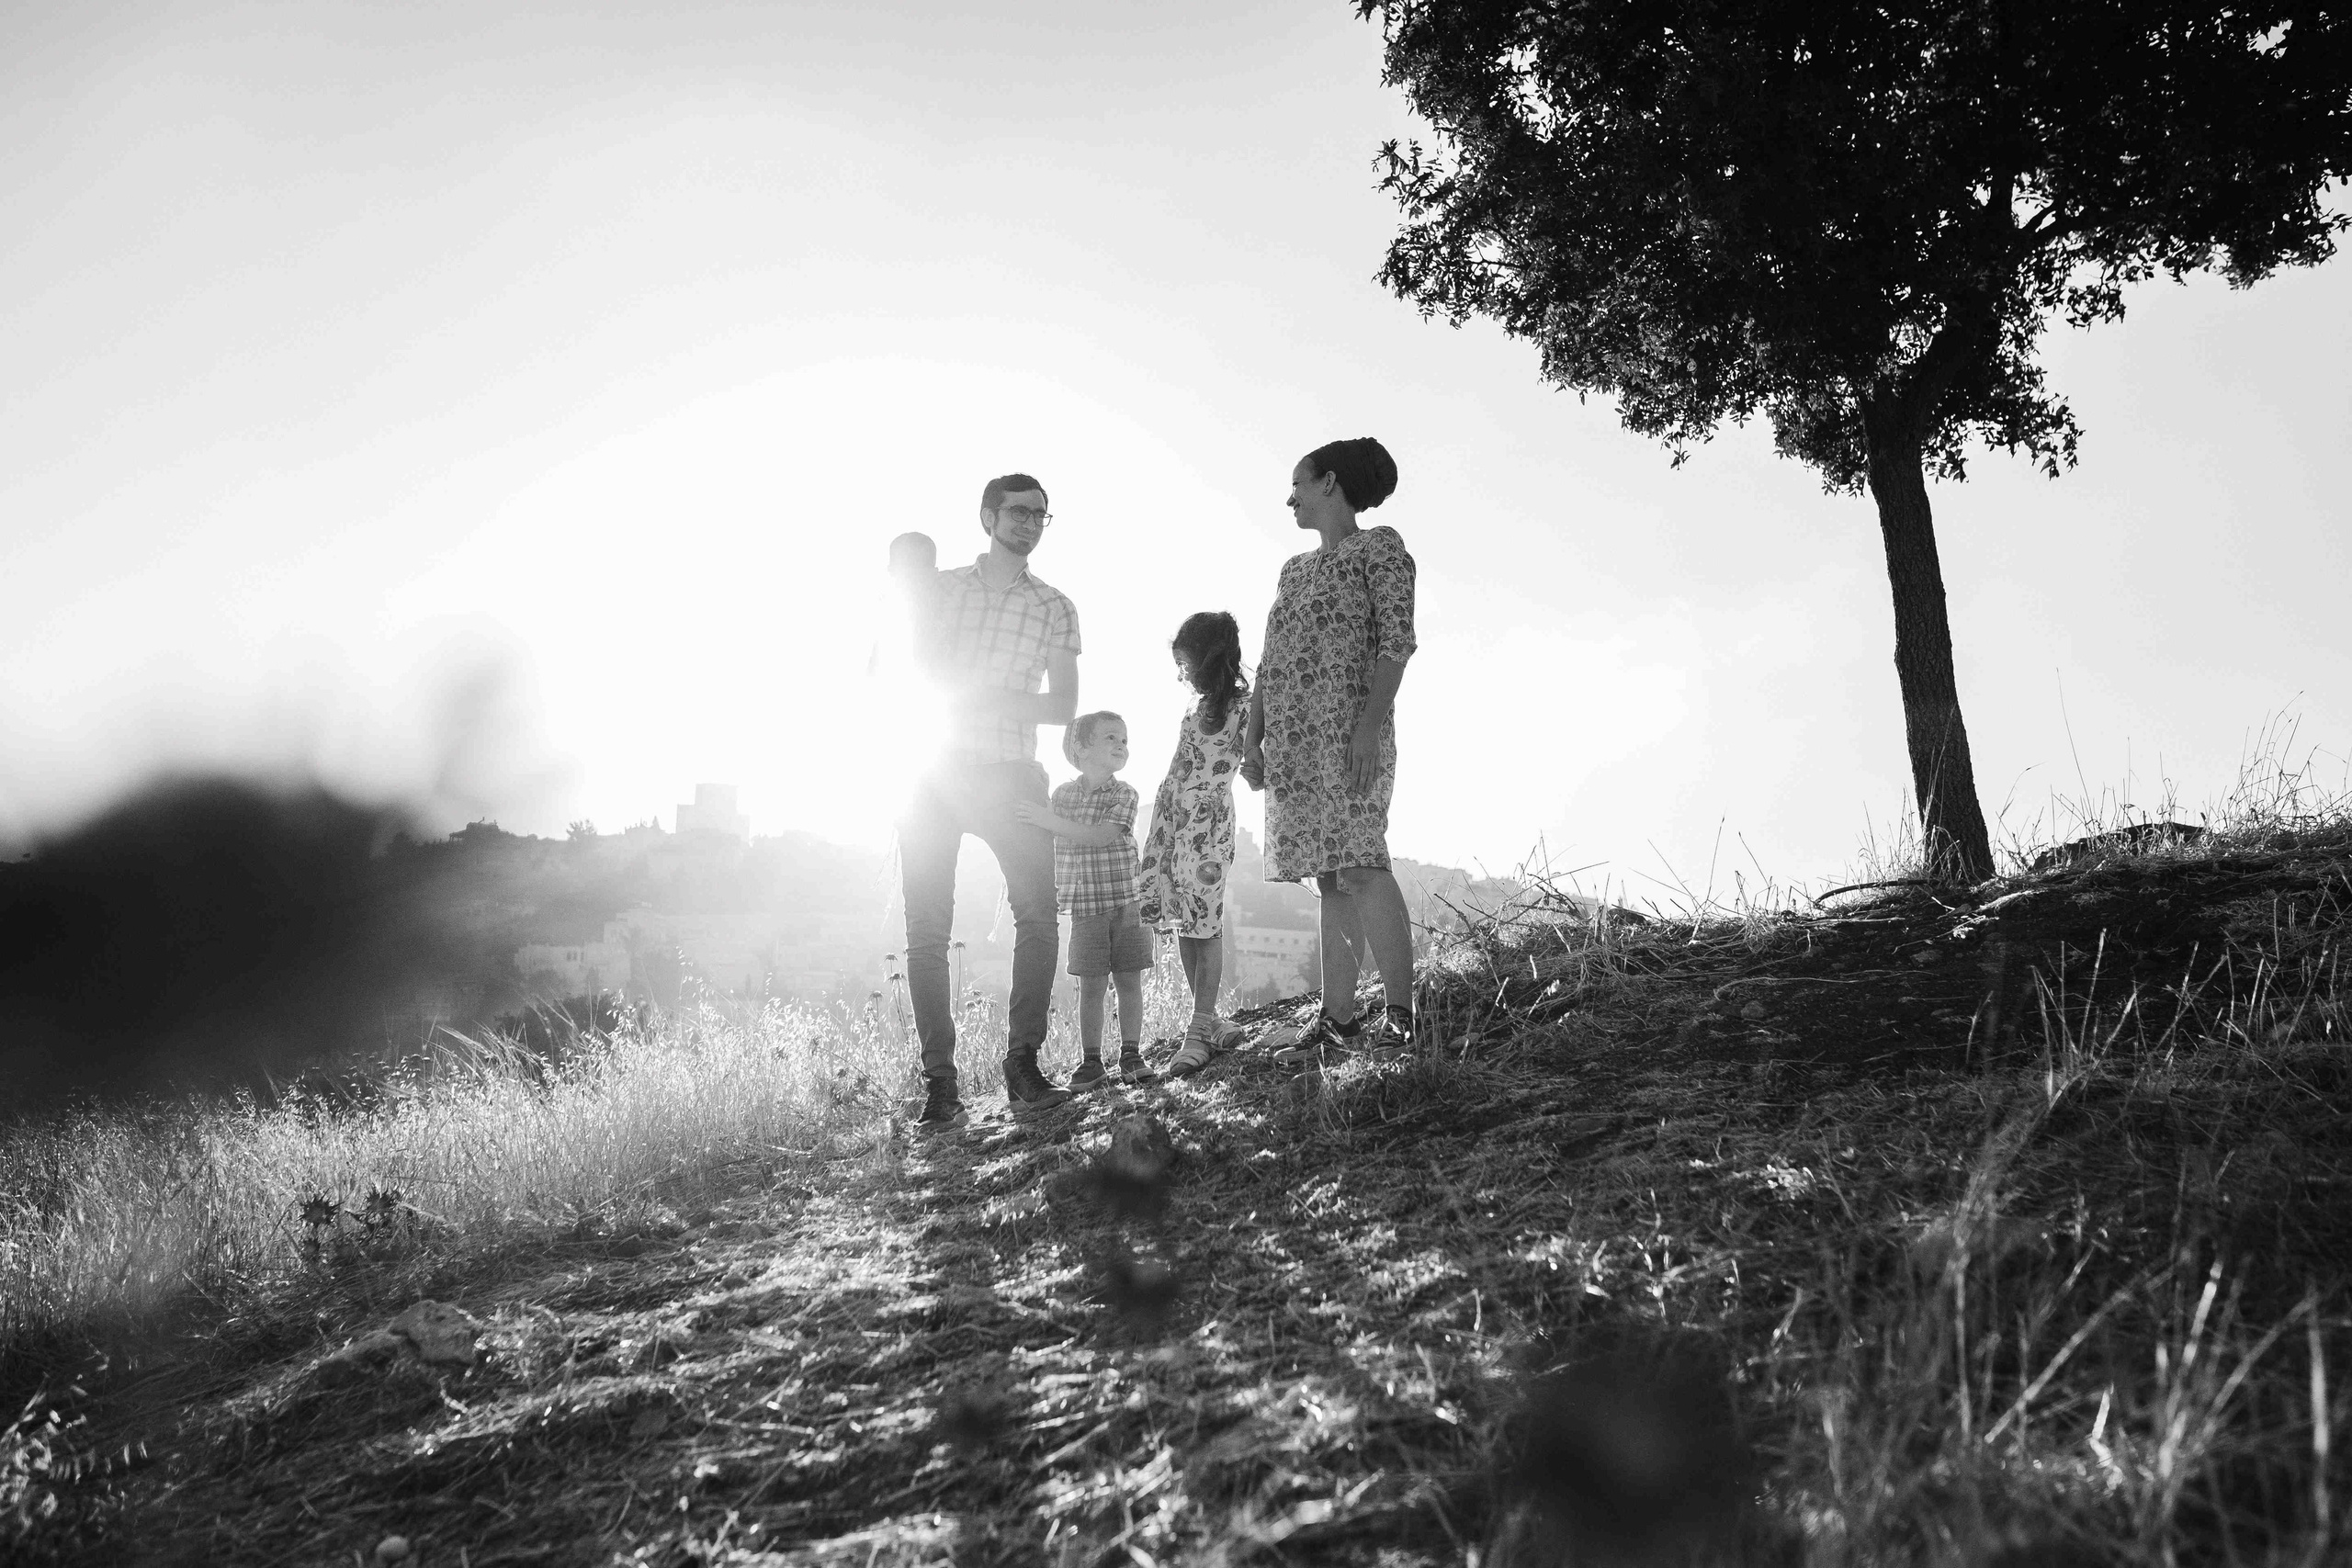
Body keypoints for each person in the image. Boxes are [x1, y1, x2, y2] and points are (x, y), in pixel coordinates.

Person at [896, 474, 1080, 1130]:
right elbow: (897, 665)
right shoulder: (940, 588)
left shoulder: (1055, 606)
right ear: (988, 517)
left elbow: (1063, 706)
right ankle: (940, 1086)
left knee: (1038, 916)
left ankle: (1023, 1064)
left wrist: (991, 698)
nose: (1030, 522)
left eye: (1041, 514)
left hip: (1011, 774)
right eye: (1019, 512)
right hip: (934, 773)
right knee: (926, 932)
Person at [1239, 437, 1419, 1069]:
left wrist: (1368, 729)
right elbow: (1268, 660)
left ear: (1330, 483)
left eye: (1298, 483)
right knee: (1328, 876)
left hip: (1348, 736)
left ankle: (1403, 1016)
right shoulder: (1292, 570)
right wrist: (1252, 736)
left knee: (1364, 862)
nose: (1289, 497)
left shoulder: (1381, 549)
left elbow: (1396, 642)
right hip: (1292, 745)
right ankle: (1337, 1019)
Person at [1137, 611, 1251, 1077]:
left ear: (1207, 657)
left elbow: (1255, 760)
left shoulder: (1246, 706)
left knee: (1206, 921)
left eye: (1185, 661)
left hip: (1211, 826)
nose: (1181, 673)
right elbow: (1178, 767)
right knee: (1187, 921)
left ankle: (1197, 1032)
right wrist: (1161, 826)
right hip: (1176, 821)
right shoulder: (1194, 708)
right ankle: (1210, 1021)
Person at [1016, 712, 1154, 1088]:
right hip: (1085, 909)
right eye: (1111, 737)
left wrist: (1047, 821)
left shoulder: (1125, 794)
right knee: (1091, 986)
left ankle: (1131, 1054)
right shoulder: (1061, 796)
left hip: (1127, 904)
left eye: (1124, 740)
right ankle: (1091, 1061)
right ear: (1081, 749)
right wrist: (1042, 820)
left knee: (1129, 981)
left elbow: (1100, 837)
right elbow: (1046, 841)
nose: (1121, 745)